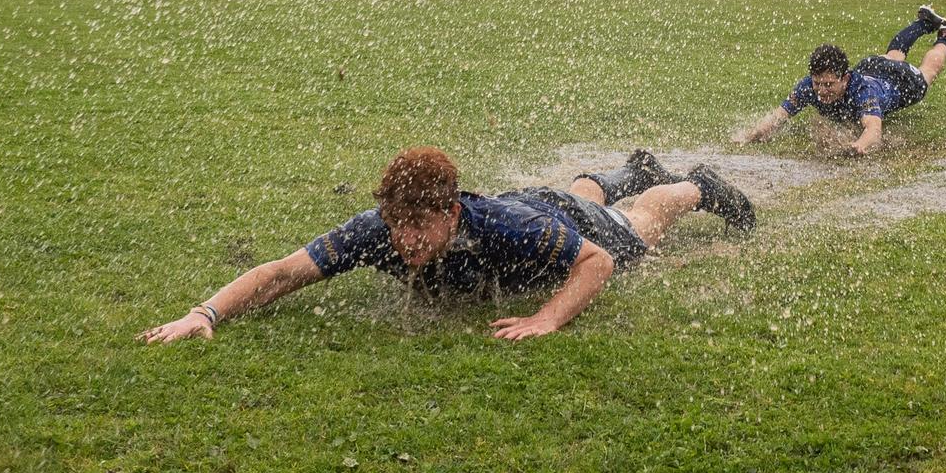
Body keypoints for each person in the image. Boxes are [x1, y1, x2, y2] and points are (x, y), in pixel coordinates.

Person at [137, 146, 755, 345]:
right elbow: (280, 273)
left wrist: (547, 317)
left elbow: (598, 261)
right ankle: (628, 168)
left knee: (636, 226)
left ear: (452, 213)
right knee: (584, 197)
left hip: (554, 217)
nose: (403, 241)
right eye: (396, 224)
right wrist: (205, 312)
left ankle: (693, 186)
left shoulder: (498, 229)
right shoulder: (376, 231)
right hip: (540, 203)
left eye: (419, 227)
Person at [736, 6, 946, 156]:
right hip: (872, 67)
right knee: (893, 55)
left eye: (829, 85)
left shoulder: (863, 92)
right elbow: (778, 116)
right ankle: (924, 23)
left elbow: (874, 130)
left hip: (901, 82)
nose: (821, 90)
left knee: (928, 71)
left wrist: (857, 146)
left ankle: (944, 31)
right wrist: (752, 134)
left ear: (845, 78)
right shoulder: (808, 87)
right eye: (818, 83)